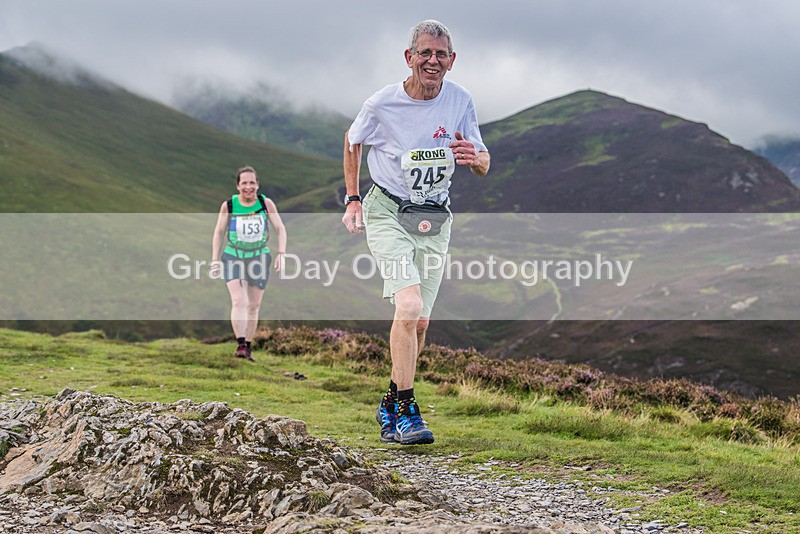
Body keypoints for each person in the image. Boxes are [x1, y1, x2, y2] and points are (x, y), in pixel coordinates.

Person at [342, 20, 490, 445]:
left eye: (441, 54)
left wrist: (474, 158)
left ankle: (390, 401)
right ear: (409, 57)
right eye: (425, 53)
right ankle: (407, 410)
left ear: (452, 60)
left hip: (434, 218)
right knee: (408, 306)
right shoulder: (382, 103)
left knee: (420, 321)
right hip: (388, 211)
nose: (432, 61)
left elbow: (483, 160)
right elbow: (352, 140)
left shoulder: (460, 100)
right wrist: (353, 199)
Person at [212, 165, 287, 362]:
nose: (248, 187)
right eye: (244, 183)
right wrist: (214, 259)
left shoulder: (265, 203)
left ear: (258, 184)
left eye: (252, 182)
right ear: (238, 186)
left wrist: (281, 254)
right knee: (239, 301)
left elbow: (280, 228)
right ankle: (240, 344)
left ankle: (248, 346)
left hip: (259, 257)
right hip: (233, 256)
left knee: (254, 305)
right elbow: (219, 232)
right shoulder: (229, 206)